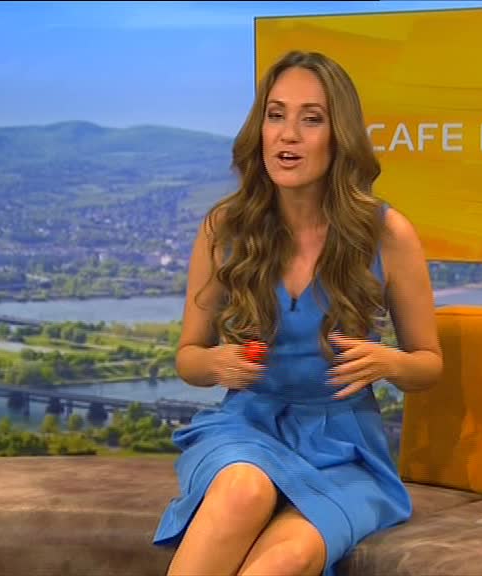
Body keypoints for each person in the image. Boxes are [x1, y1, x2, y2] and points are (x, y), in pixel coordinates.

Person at [152, 50, 442, 576]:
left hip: (345, 447)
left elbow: (428, 363)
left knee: (287, 560)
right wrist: (216, 363)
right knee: (243, 490)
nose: (287, 134)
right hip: (246, 428)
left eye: (311, 119)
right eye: (275, 115)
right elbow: (188, 358)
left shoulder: (387, 234)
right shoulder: (225, 229)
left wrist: (389, 362)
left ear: (339, 136)